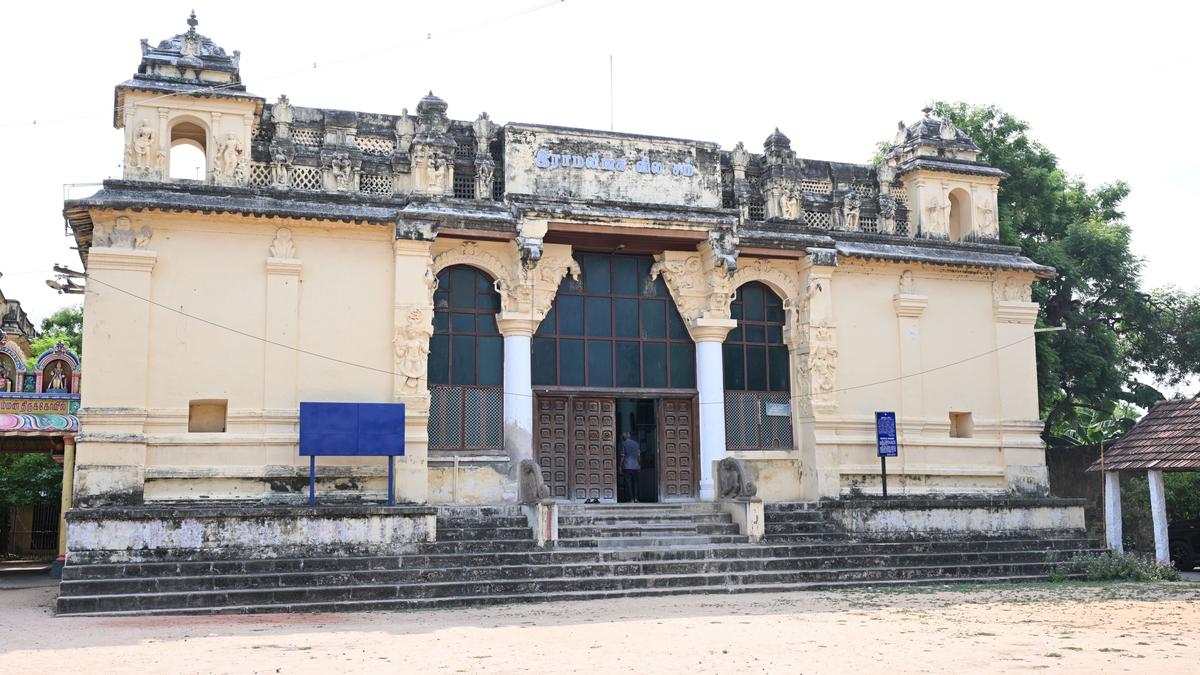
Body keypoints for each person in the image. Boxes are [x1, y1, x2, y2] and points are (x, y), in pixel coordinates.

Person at [619, 432, 641, 503]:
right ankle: (636, 498)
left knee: (628, 483)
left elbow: (622, 456)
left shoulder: (624, 444)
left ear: (623, 438)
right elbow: (638, 456)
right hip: (635, 466)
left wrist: (620, 466)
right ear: (629, 436)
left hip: (627, 466)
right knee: (635, 483)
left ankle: (631, 499)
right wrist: (639, 465)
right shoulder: (636, 444)